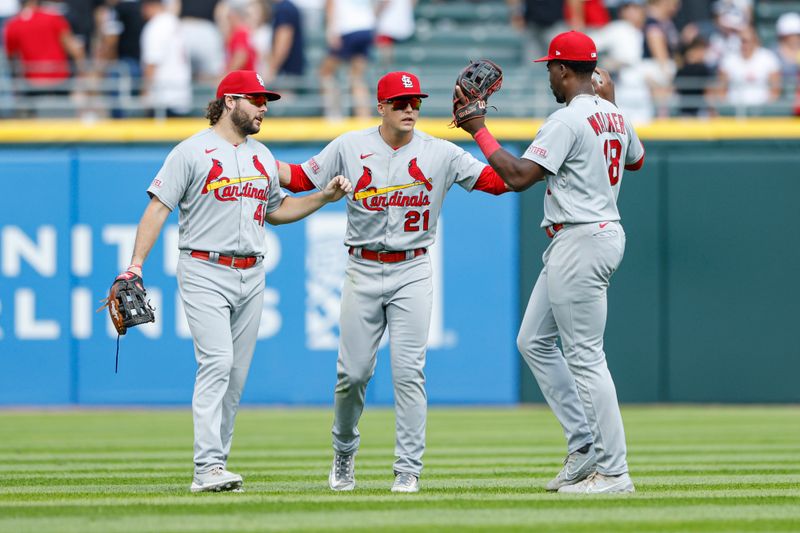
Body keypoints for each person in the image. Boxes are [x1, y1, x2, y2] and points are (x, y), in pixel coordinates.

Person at [277, 71, 510, 493]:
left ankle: (407, 468)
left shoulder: (441, 152)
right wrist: (256, 161)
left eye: (415, 102)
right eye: (400, 103)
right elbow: (298, 178)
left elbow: (500, 182)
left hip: (413, 268)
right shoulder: (350, 145)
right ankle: (344, 450)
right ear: (381, 107)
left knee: (409, 373)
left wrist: (481, 132)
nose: (409, 109)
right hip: (362, 267)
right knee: (353, 374)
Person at [122, 70, 351, 493]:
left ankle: (217, 464)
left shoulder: (261, 155)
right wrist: (134, 266)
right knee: (217, 363)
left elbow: (277, 212)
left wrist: (323, 198)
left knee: (237, 375)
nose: (264, 106)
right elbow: (158, 209)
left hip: (253, 271)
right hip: (204, 267)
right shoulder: (191, 152)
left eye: (266, 100)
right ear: (229, 101)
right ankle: (205, 467)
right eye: (256, 99)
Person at [454, 31, 645, 494]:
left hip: (581, 236)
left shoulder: (567, 118)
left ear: (563, 70)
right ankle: (584, 447)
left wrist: (478, 126)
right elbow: (636, 161)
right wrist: (612, 106)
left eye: (550, 68)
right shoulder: (611, 113)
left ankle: (614, 472)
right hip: (591, 233)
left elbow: (519, 178)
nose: (548, 76)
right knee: (534, 341)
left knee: (585, 357)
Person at [318, 0, 375, 119]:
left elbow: (330, 5)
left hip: (347, 28)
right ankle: (364, 117)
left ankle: (333, 114)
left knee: (325, 72)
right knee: (357, 77)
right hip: (366, 27)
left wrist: (331, 31)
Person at [139, 0, 191, 117]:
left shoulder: (155, 26)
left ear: (148, 6)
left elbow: (151, 64)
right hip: (181, 96)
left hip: (162, 99)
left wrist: (144, 95)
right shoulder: (174, 22)